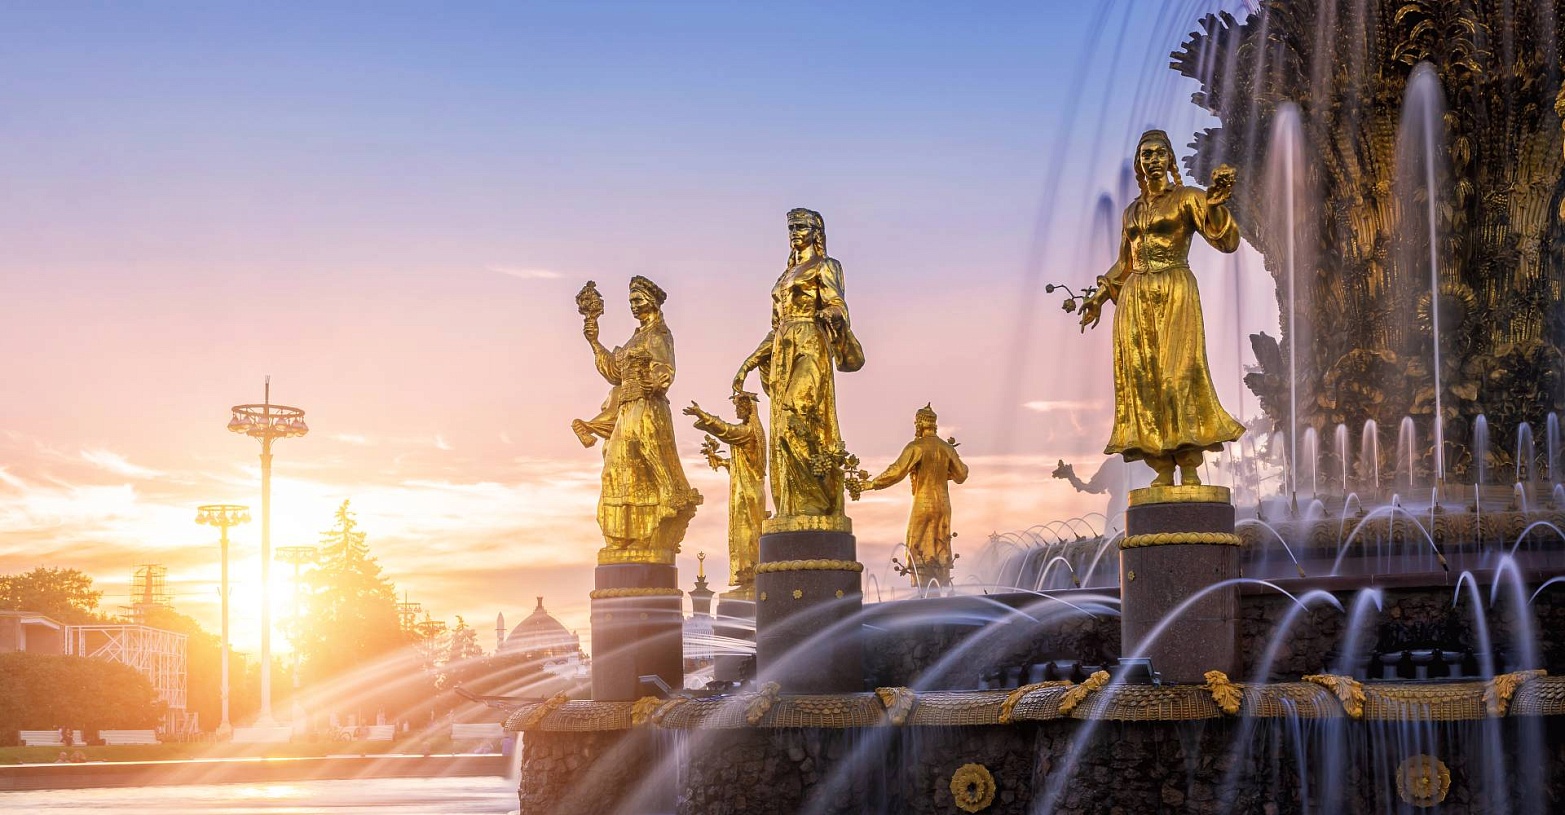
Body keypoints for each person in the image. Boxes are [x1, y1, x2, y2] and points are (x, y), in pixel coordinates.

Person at [1078, 129, 1245, 486]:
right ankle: (1162, 468)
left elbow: (1227, 242)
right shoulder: (1131, 211)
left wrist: (1215, 207)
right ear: (1139, 163)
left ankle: (1189, 464)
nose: (1153, 159)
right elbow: (1124, 263)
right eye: (1146, 154)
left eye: (1159, 153)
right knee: (1143, 382)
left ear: (1170, 160)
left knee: (1177, 377)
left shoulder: (1188, 198)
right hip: (1135, 297)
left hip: (1175, 289)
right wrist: (1098, 297)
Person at [734, 208, 864, 521]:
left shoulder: (825, 265)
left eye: (801, 226)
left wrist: (831, 314)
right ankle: (793, 506)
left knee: (797, 413)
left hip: (810, 343)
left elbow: (837, 304)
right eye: (791, 227)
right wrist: (749, 363)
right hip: (783, 350)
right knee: (781, 425)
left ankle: (816, 500)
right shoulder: (783, 277)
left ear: (816, 232)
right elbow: (776, 327)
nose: (794, 232)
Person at [573, 276, 701, 559]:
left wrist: (651, 382)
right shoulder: (635, 338)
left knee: (645, 469)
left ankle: (645, 535)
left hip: (647, 410)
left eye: (638, 300)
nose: (633, 305)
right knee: (616, 469)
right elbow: (613, 372)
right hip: (626, 411)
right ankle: (622, 535)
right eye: (631, 300)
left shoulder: (659, 334)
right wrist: (594, 341)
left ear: (652, 302)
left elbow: (665, 369)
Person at [867, 404, 969, 586]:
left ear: (920, 423)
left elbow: (897, 470)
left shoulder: (917, 447)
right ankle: (939, 587)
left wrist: (872, 483)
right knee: (941, 544)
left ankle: (923, 589)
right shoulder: (947, 448)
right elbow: (962, 474)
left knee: (916, 543)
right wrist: (945, 469)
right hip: (943, 505)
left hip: (923, 503)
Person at [685, 392, 766, 592]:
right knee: (742, 532)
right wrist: (721, 461)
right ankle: (746, 575)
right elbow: (743, 464)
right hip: (745, 492)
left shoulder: (748, 431)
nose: (736, 411)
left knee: (747, 533)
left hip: (747, 495)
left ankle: (750, 572)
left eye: (739, 408)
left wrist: (702, 415)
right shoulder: (750, 433)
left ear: (748, 409)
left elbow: (727, 430)